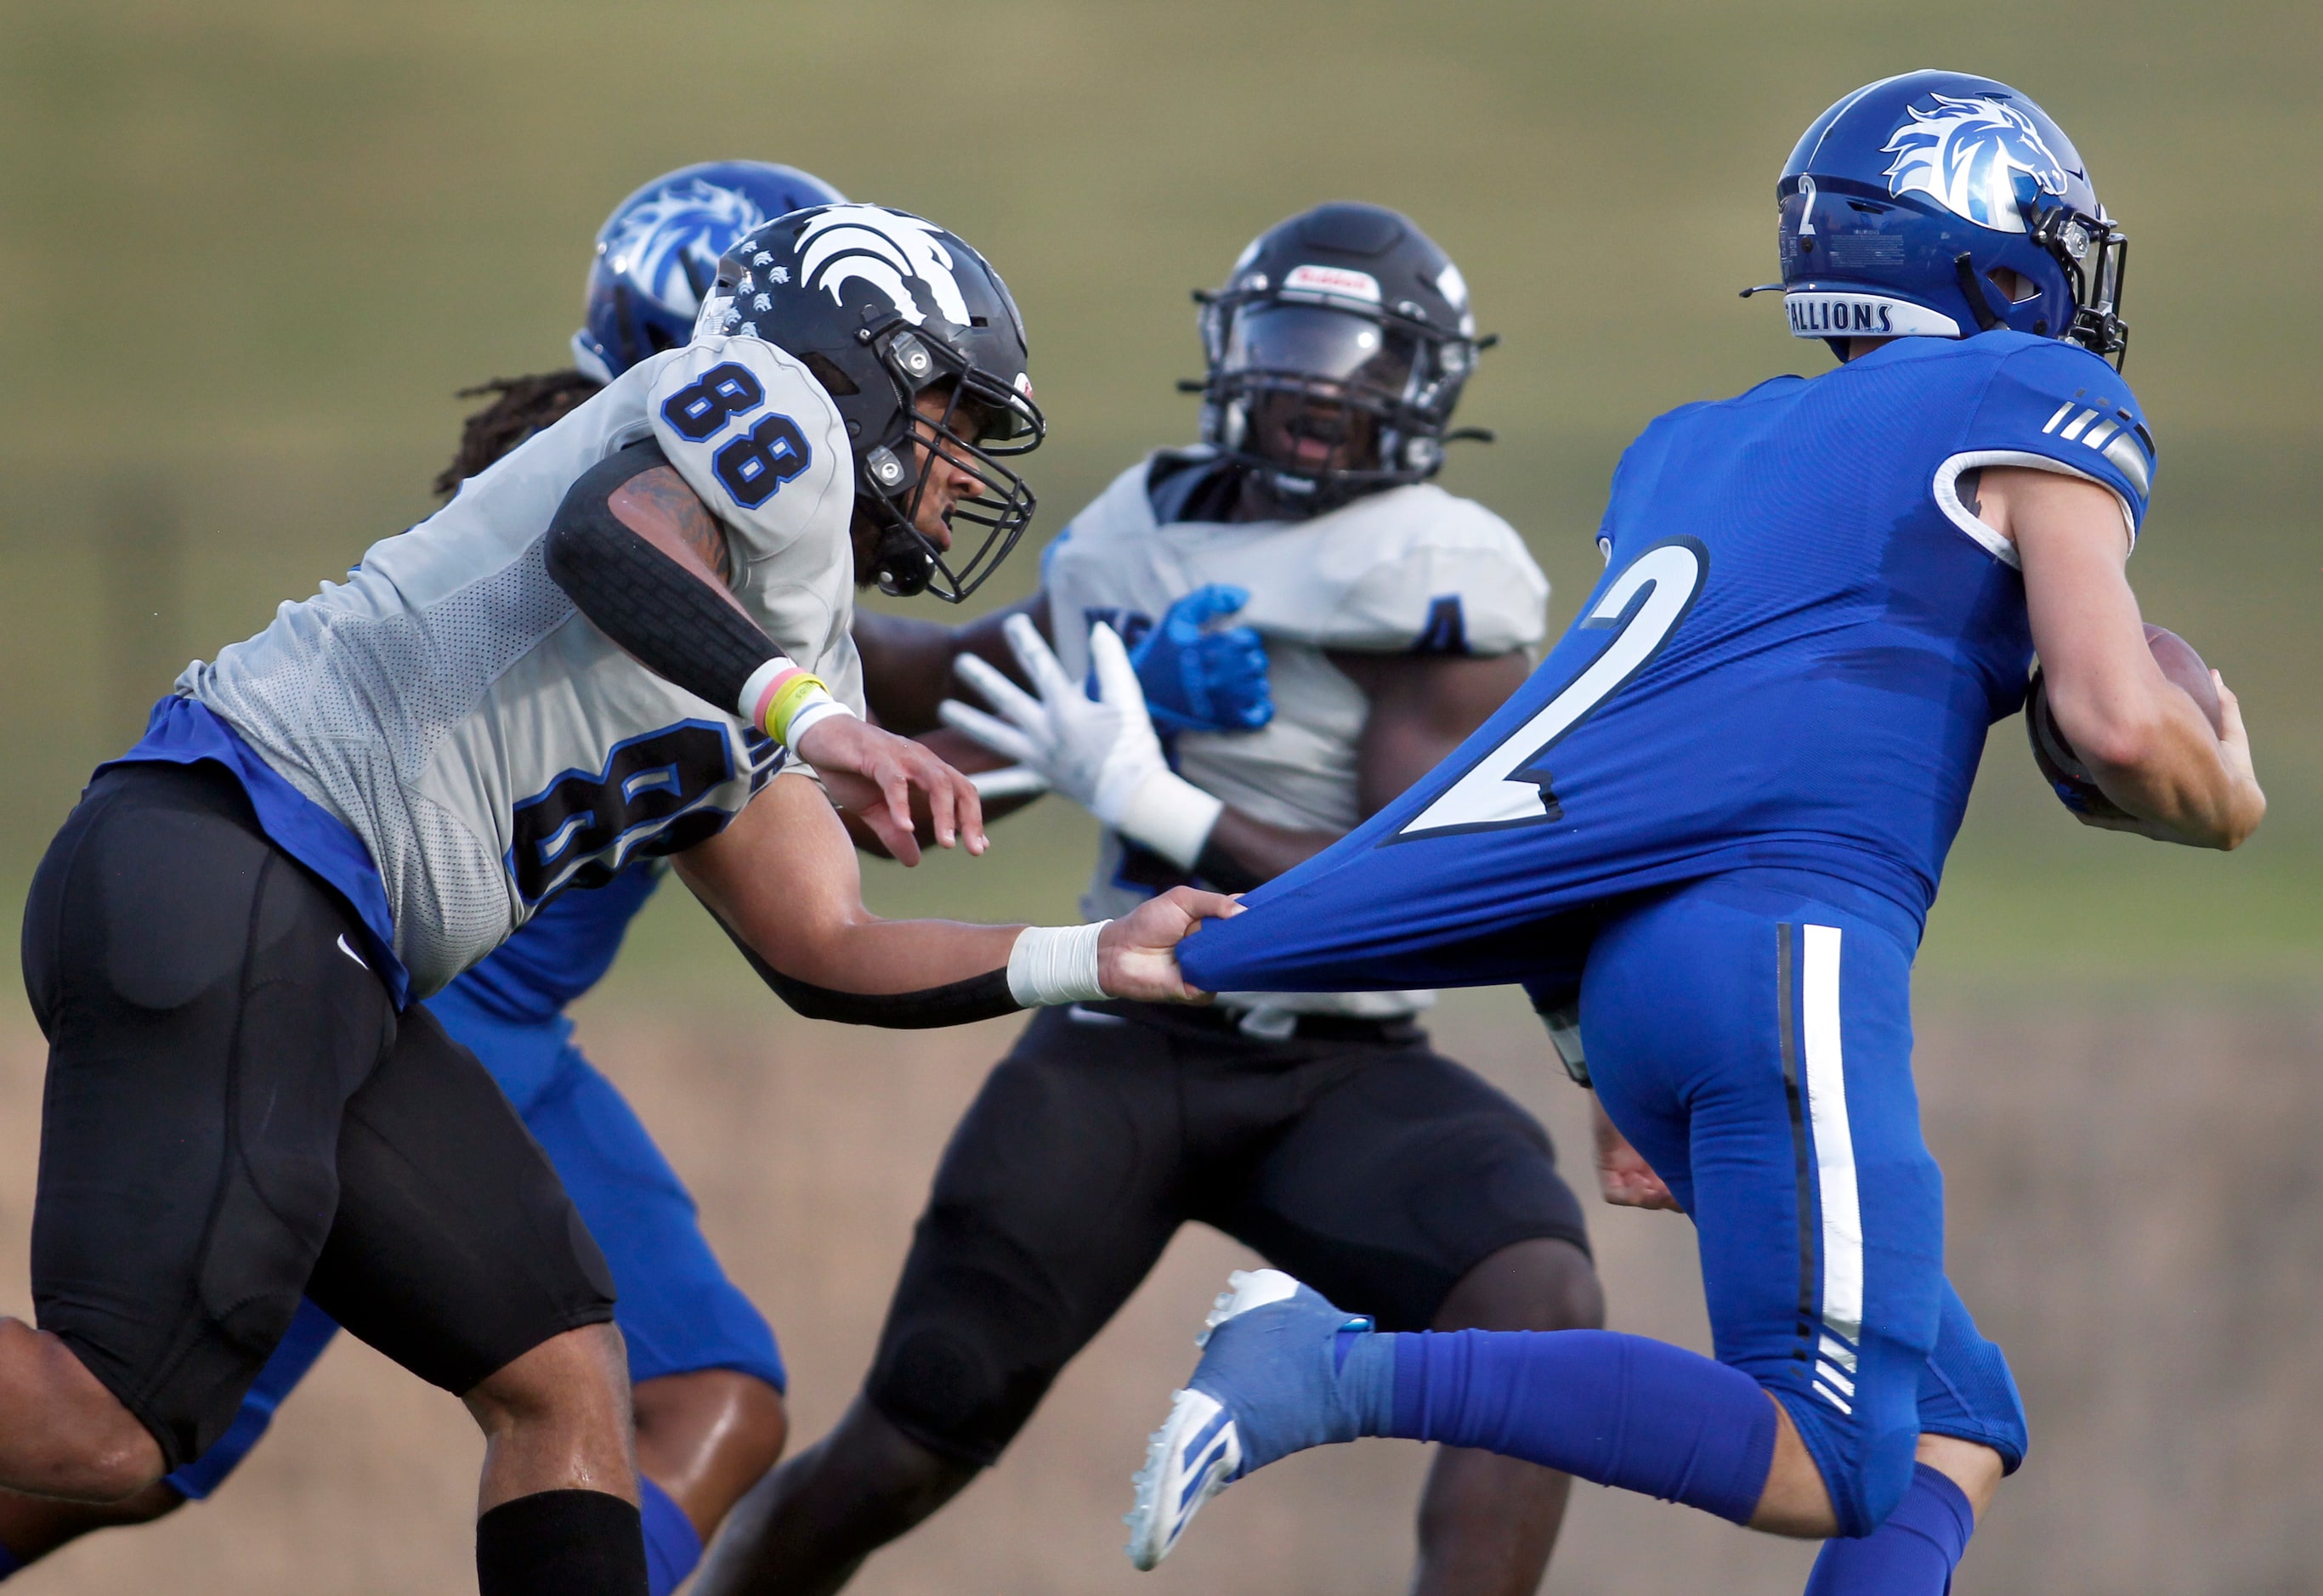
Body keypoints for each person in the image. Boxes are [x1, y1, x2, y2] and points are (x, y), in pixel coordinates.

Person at [1119, 71, 2264, 1596]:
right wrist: (2229, 791)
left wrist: (1602, 1056)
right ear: (1989, 253)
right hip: (1784, 947)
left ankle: (1335, 1364)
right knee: (1836, 1461)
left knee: (1959, 1420)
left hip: (1642, 984)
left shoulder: (1686, 447)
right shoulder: (2027, 397)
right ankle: (1328, 1370)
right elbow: (2115, 720)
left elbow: (1602, 754)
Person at [9, 197, 1226, 1596]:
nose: (959, 469)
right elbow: (611, 536)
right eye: (953, 414)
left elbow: (822, 943)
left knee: (563, 1374)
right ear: (865, 363)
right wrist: (815, 719)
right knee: (111, 1431)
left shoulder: (790, 616)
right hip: (245, 854)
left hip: (332, 947)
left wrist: (1098, 955)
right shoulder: (773, 411)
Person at [694, 203, 1606, 1596]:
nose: (1311, 391)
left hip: (1335, 1063)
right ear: (1232, 347)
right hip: (1122, 1037)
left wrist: (1159, 800)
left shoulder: (1440, 568)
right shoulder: (1143, 520)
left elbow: (1411, 886)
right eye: (1290, 346)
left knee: (1539, 1306)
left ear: (1416, 387)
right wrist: (718, 601)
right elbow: (955, 675)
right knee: (905, 1440)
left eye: (1350, 360)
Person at [0, 160, 855, 1596]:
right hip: (350, 976)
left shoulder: (739, 552)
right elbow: (832, 731)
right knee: (118, 1441)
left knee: (658, 1383)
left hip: (464, 1023)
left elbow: (863, 742)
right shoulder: (620, 524)